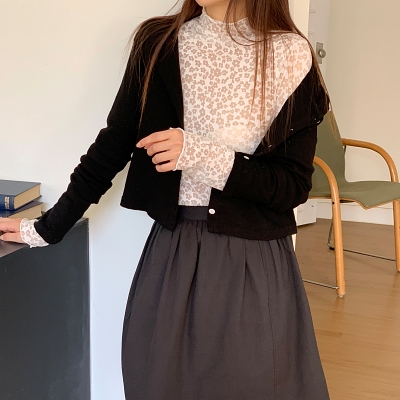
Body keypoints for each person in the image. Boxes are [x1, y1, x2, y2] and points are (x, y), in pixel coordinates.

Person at [0, 0, 331, 398]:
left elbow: (292, 186)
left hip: (254, 264)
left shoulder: (289, 54)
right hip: (175, 255)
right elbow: (112, 147)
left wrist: (200, 155)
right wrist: (46, 228)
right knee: (157, 382)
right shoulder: (159, 44)